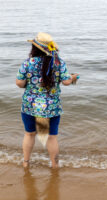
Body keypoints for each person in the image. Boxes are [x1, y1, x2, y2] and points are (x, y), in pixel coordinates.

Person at [16, 32, 79, 169]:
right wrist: (74, 77)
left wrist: (31, 83)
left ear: (35, 48)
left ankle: (26, 163)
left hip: (30, 105)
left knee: (30, 134)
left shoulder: (28, 63)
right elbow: (66, 82)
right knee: (52, 137)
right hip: (51, 107)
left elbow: (19, 83)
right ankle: (55, 165)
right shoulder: (58, 63)